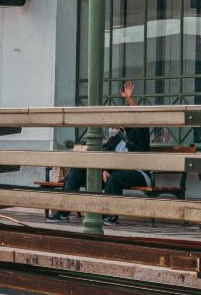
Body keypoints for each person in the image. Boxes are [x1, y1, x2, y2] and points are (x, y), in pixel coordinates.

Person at [50, 81, 150, 226]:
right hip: (113, 172)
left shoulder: (138, 132)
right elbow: (105, 153)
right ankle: (63, 213)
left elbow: (141, 117)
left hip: (138, 173)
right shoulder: (116, 137)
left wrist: (130, 99)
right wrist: (104, 169)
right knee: (77, 172)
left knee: (115, 178)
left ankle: (111, 215)